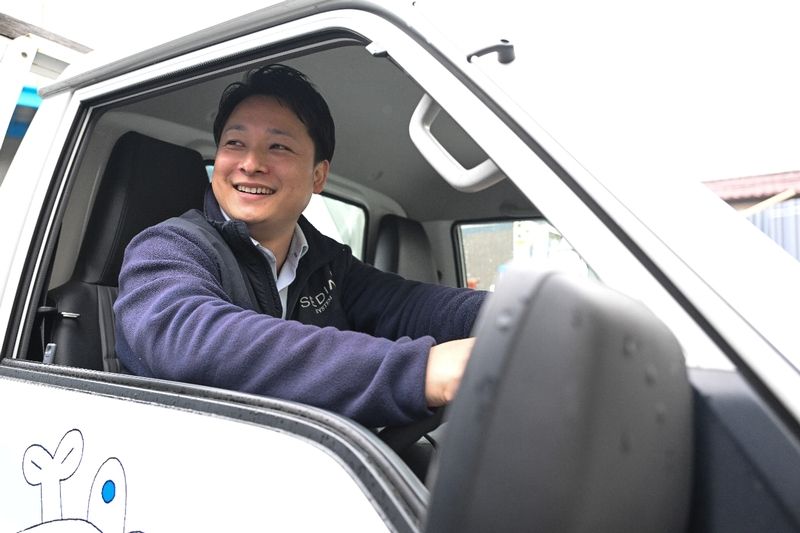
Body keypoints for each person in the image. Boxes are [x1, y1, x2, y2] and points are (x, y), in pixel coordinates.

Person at [114, 64, 486, 428]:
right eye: (234, 143)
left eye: (278, 146)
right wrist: (421, 371)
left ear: (318, 175)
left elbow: (410, 306)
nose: (251, 163)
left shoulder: (326, 264)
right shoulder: (166, 248)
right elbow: (192, 340)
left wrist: (507, 320)